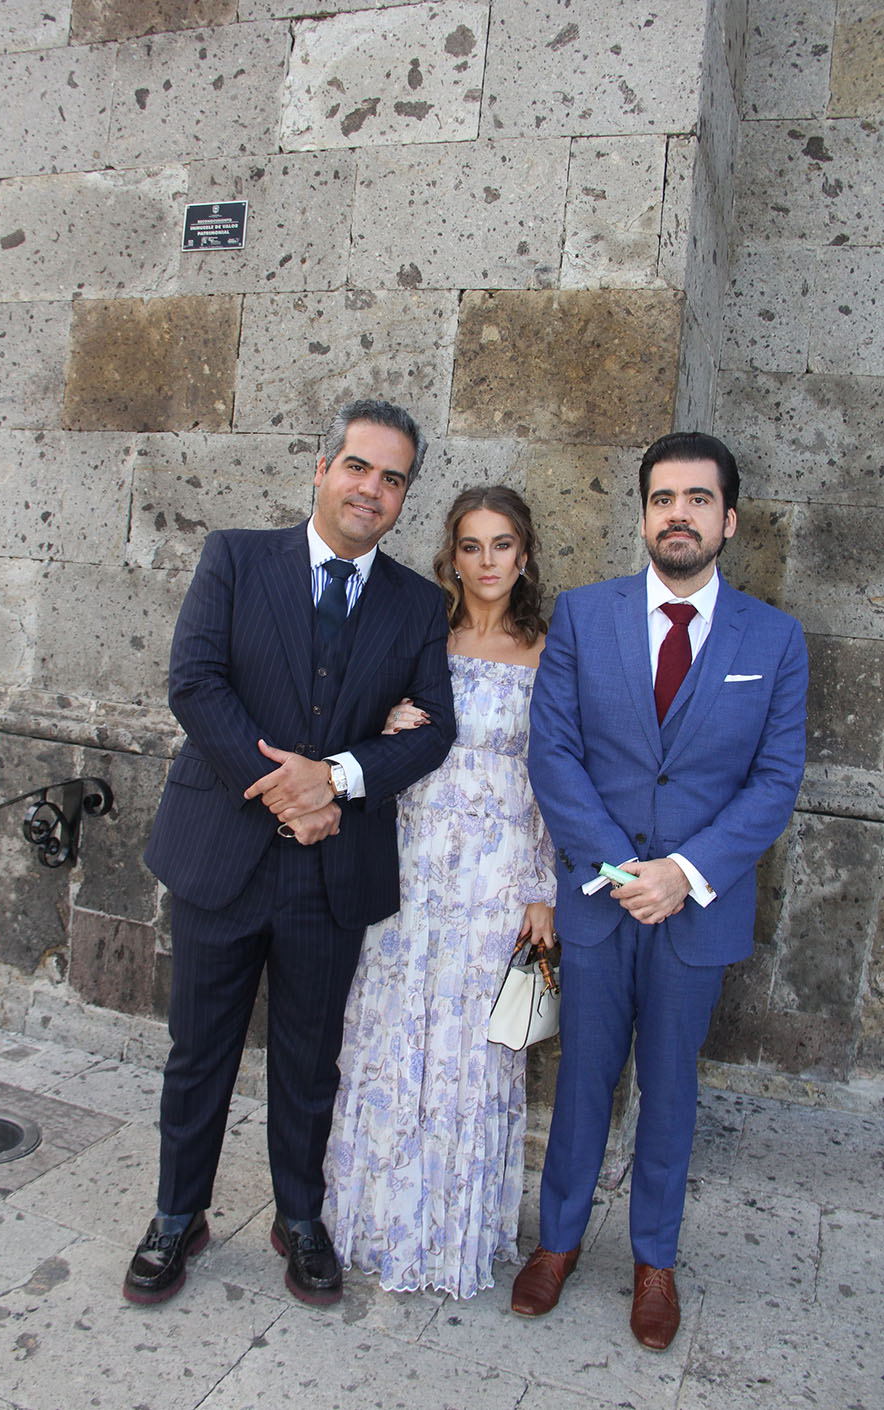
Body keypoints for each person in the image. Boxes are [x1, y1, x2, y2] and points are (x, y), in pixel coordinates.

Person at [123, 399, 456, 1308]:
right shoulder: (235, 557)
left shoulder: (421, 605)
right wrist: (287, 790)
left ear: (402, 499)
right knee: (200, 1051)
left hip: (331, 869)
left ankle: (299, 1218)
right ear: (323, 469)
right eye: (359, 468)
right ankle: (177, 1214)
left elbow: (432, 733)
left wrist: (338, 779)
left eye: (392, 479)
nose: (372, 490)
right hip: (221, 854)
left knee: (311, 1059)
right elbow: (195, 681)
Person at [514, 432, 808, 1350]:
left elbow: (775, 779)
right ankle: (557, 1241)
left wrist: (681, 874)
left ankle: (654, 1260)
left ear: (728, 519)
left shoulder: (775, 638)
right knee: (583, 1082)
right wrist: (619, 872)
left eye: (697, 499)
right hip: (601, 906)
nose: (677, 514)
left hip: (697, 912)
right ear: (642, 513)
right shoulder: (583, 615)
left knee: (672, 1088)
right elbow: (553, 754)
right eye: (661, 498)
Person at [324, 485, 555, 1299]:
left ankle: (452, 1231)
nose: (486, 561)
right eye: (471, 545)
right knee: (390, 1030)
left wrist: (543, 888)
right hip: (411, 856)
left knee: (469, 1050)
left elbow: (558, 775)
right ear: (449, 555)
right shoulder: (426, 630)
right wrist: (384, 718)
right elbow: (349, 711)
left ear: (523, 556)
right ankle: (372, 1215)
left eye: (501, 546)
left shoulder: (550, 650)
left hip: (496, 875)